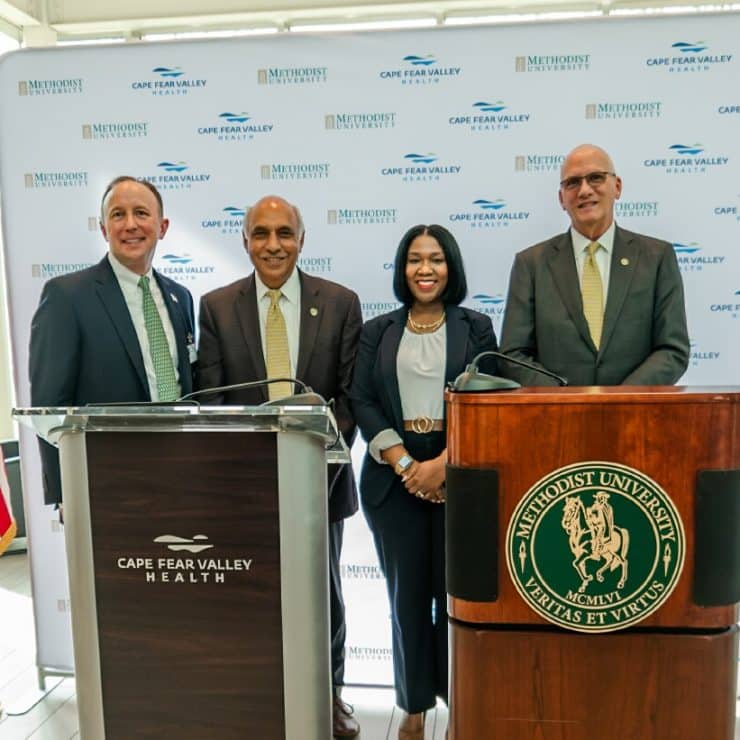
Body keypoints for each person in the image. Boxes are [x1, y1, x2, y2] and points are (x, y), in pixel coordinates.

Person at [196, 195, 362, 738]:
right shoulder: (217, 306)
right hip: (244, 486)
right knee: (251, 596)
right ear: (245, 241)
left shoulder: (339, 302)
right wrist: (250, 467)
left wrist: (311, 457)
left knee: (325, 596)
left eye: (284, 233)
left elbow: (349, 397)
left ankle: (330, 696)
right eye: (261, 234)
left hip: (319, 479)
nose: (274, 245)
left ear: (302, 239)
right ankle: (256, 694)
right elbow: (212, 397)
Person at [349, 224, 498, 740]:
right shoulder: (377, 330)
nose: (425, 269)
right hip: (396, 483)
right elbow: (361, 400)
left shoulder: (477, 327)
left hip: (458, 478)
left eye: (436, 259)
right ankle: (411, 713)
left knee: (456, 601)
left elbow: (487, 400)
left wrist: (446, 465)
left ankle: (461, 710)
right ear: (402, 268)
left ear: (451, 267)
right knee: (406, 601)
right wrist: (407, 464)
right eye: (415, 259)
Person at [29, 176, 196, 510]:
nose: (130, 224)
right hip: (105, 485)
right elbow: (49, 404)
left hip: (183, 473)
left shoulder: (181, 297)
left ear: (162, 227)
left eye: (141, 213)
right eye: (118, 215)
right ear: (104, 229)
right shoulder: (67, 297)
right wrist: (66, 493)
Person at [500, 143, 689, 386]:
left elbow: (672, 350)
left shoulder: (657, 257)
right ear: (561, 198)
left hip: (636, 417)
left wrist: (620, 401)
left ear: (617, 187)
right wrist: (567, 402)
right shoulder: (531, 264)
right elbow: (513, 355)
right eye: (573, 183)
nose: (584, 190)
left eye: (596, 178)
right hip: (557, 418)